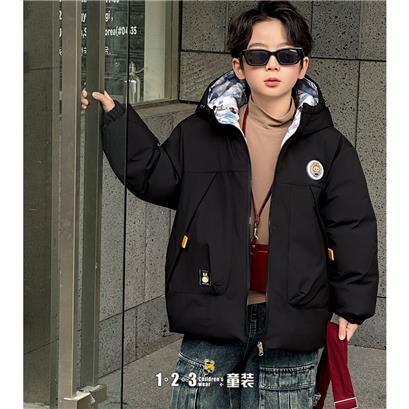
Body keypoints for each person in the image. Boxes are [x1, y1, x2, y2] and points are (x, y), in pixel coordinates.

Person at [81, 1, 379, 408]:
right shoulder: (201, 133)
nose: (272, 65)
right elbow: (157, 177)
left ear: (302, 66)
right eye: (258, 56)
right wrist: (118, 120)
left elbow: (352, 225)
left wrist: (353, 306)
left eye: (286, 55)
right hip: (213, 306)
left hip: (294, 313)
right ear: (239, 66)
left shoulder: (329, 147)